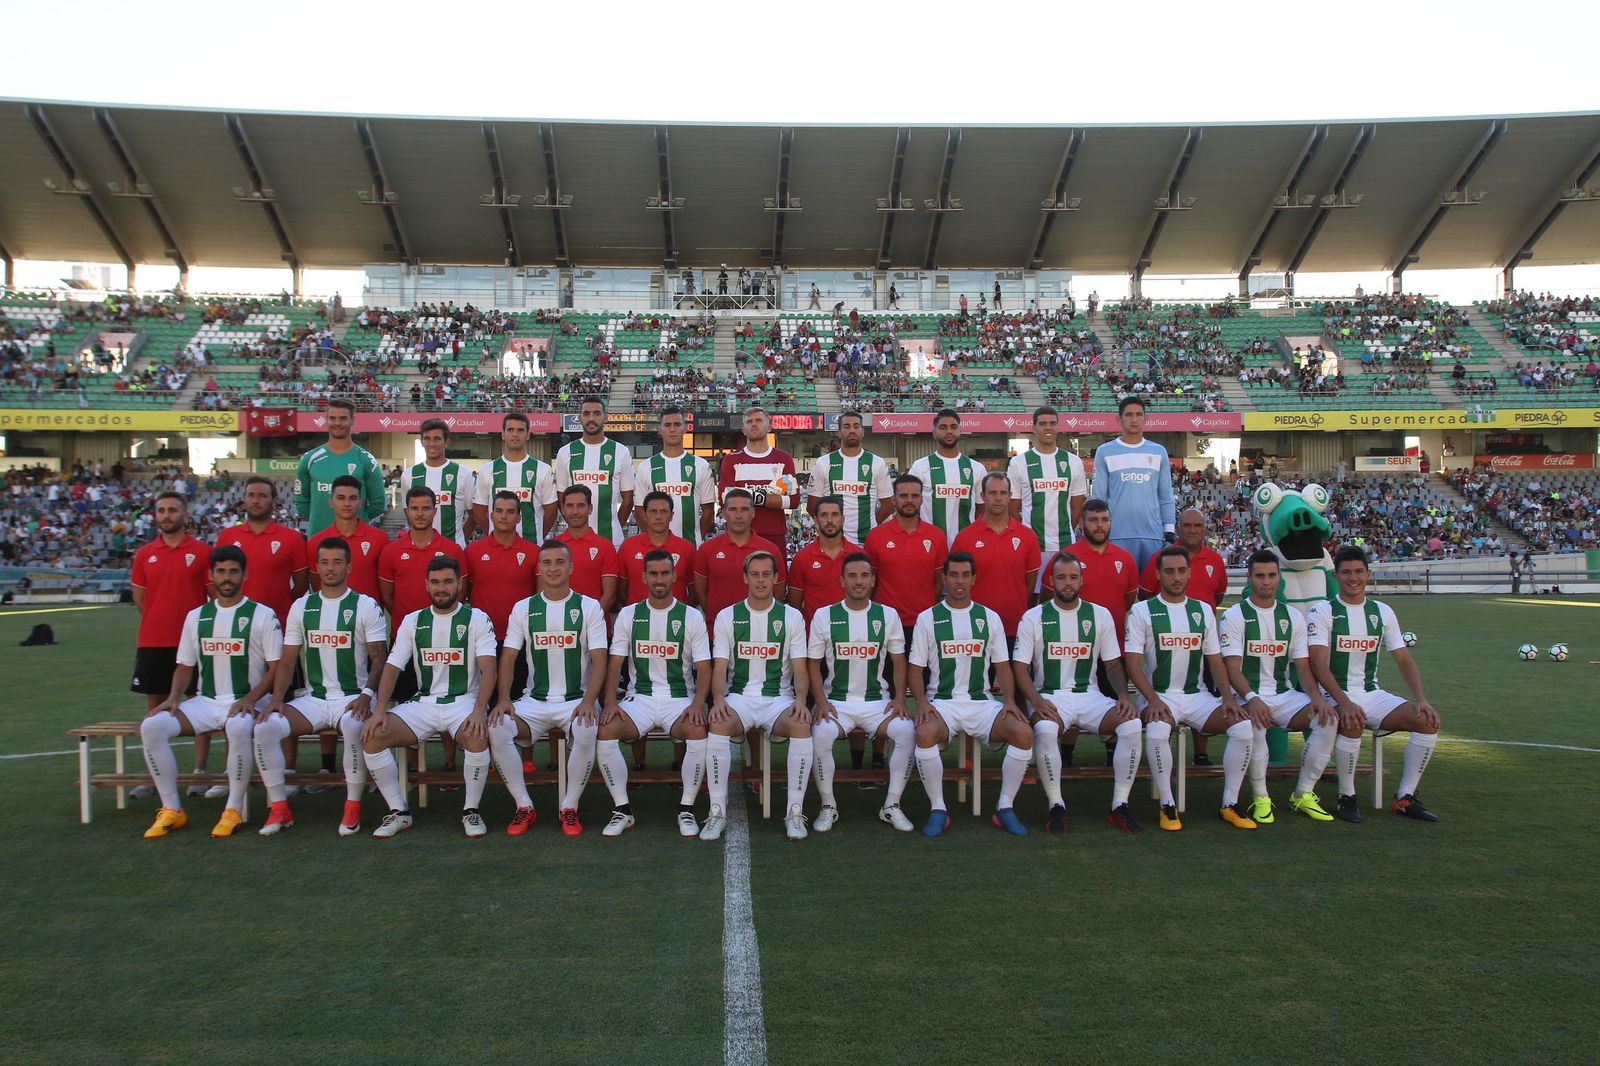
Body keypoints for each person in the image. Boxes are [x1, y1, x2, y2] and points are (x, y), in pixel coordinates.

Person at [138, 546, 283, 839]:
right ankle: (172, 809)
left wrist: (252, 698)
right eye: (220, 571)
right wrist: (173, 698)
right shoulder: (196, 616)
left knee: (240, 726)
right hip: (206, 701)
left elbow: (276, 668)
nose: (226, 578)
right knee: (152, 726)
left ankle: (233, 809)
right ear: (211, 575)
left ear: (245, 574)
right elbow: (184, 666)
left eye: (233, 571)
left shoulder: (263, 615)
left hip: (249, 700)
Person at [360, 555, 502, 838]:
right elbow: (391, 667)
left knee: (476, 736)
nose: (442, 588)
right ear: (426, 585)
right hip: (423, 704)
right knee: (373, 736)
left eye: (448, 581)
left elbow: (489, 670)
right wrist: (379, 709)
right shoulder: (413, 621)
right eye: (435, 582)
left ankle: (470, 810)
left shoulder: (476, 618)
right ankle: (399, 812)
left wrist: (478, 711)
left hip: (463, 702)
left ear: (459, 585)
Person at [256, 536, 389, 837]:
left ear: (349, 567)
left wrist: (368, 695)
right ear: (316, 567)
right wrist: (277, 699)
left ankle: (352, 806)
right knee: (265, 727)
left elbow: (379, 657)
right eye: (325, 563)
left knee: (355, 727)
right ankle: (279, 807)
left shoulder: (365, 605)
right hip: (313, 699)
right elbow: (288, 660)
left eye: (337, 562)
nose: (330, 569)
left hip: (353, 696)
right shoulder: (302, 607)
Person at [1012, 553, 1145, 835]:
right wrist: (1037, 701)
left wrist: (1123, 695)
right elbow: (1020, 668)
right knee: (1046, 729)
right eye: (1061, 577)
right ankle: (1056, 805)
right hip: (1051, 698)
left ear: (1082, 580)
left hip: (1091, 697)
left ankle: (1120, 804)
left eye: (1073, 577)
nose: (1068, 583)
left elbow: (1111, 664)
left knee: (1132, 724)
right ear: (1051, 581)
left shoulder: (1100, 615)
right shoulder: (1033, 617)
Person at [1308, 547, 1442, 823]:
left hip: (1372, 693)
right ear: (1336, 576)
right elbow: (1318, 663)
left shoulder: (1381, 611)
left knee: (1427, 721)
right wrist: (1344, 702)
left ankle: (1404, 797)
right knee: (1352, 720)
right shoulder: (1323, 611)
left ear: (1368, 574)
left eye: (1359, 571)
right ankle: (1347, 796)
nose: (1353, 578)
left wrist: (1421, 698)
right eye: (1346, 572)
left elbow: (1404, 659)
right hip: (1333, 693)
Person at [907, 552, 1036, 837]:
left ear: (974, 579)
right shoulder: (928, 618)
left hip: (982, 704)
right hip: (943, 704)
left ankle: (1005, 807)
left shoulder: (989, 618)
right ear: (945, 578)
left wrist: (1011, 702)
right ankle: (938, 808)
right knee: (924, 733)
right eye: (954, 575)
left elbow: (1003, 667)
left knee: (1024, 733)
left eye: (966, 575)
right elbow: (915, 670)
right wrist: (921, 703)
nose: (960, 581)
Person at [1124, 546, 1252, 832]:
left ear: (1189, 573)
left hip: (1197, 697)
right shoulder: (1142, 611)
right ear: (1158, 574)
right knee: (1157, 732)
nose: (1176, 577)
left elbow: (1215, 659)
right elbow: (1133, 664)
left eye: (1181, 571)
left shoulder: (1203, 610)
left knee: (1242, 727)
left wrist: (1229, 698)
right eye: (1169, 571)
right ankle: (1167, 805)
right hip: (1158, 696)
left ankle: (1229, 803)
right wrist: (1153, 700)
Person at [488, 541, 609, 837]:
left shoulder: (589, 606)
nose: (553, 568)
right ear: (539, 569)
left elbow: (599, 661)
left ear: (571, 568)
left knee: (586, 727)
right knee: (498, 727)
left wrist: (589, 701)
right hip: (535, 701)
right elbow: (508, 657)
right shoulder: (524, 608)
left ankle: (569, 807)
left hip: (576, 700)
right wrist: (504, 698)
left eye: (559, 562)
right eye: (547, 563)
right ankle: (524, 805)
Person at [595, 549, 714, 838]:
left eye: (664, 573)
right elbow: (615, 663)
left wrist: (699, 704)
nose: (659, 579)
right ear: (644, 577)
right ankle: (622, 810)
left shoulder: (691, 616)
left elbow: (705, 668)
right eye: (653, 574)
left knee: (698, 730)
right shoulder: (628, 614)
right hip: (640, 699)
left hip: (679, 699)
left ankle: (686, 808)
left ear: (674, 576)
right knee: (606, 730)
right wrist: (610, 702)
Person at [1220, 550, 1340, 824]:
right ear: (1249, 578)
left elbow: (1303, 667)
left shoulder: (1293, 617)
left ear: (1279, 578)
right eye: (1260, 576)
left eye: (1272, 575)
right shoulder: (1234, 616)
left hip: (1284, 696)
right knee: (1256, 724)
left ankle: (1303, 793)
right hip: (1246, 697)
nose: (1266, 582)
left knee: (1328, 720)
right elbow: (1231, 668)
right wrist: (1251, 697)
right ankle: (1261, 797)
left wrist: (1316, 697)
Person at [706, 552, 813, 841]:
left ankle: (794, 811)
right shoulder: (728, 616)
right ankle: (717, 811)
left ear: (777, 577)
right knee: (717, 725)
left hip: (778, 699)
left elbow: (800, 667)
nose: (761, 580)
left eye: (767, 574)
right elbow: (719, 667)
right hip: (738, 697)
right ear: (745, 578)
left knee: (803, 726)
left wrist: (801, 701)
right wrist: (718, 700)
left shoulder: (792, 616)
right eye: (755, 574)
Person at [807, 552, 917, 832]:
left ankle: (891, 805)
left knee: (906, 731)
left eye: (864, 576)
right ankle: (828, 805)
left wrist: (900, 698)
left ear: (873, 580)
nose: (858, 581)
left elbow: (898, 661)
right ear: (842, 580)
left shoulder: (887, 615)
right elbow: (813, 664)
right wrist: (820, 701)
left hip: (876, 703)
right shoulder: (824, 615)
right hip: (837, 704)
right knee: (820, 735)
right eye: (852, 576)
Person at [129, 491, 213, 796]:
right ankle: (155, 774)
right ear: (155, 515)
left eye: (173, 510)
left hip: (193, 641)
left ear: (185, 515)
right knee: (154, 704)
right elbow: (141, 599)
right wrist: (159, 620)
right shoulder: (144, 554)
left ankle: (199, 773)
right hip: (153, 640)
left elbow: (212, 598)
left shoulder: (202, 552)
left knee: (198, 702)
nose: (167, 515)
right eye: (162, 510)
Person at [1139, 506, 1229, 764]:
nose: (1192, 530)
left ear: (1204, 530)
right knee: (1167, 690)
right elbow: (1146, 596)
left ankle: (1200, 753)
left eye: (1197, 526)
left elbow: (1218, 595)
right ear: (1177, 529)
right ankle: (1161, 752)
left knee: (1204, 693)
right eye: (1187, 526)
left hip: (1203, 639)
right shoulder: (1162, 558)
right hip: (1167, 638)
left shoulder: (1213, 561)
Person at [1056, 498, 1141, 767]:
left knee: (1114, 702)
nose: (1099, 525)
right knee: (1072, 698)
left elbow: (1127, 601)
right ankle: (1066, 755)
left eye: (1104, 519)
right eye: (1093, 520)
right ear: (1081, 524)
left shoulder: (1124, 559)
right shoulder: (1068, 558)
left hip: (1112, 650)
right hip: (1073, 648)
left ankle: (1112, 756)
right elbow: (1052, 598)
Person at [951, 473, 1041, 644]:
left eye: (1003, 493)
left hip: (1015, 627)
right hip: (975, 628)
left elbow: (1029, 586)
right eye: (992, 493)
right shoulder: (965, 537)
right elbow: (957, 583)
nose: (998, 498)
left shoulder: (1027, 537)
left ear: (1010, 495)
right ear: (982, 496)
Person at [1091, 396, 1175, 571]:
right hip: (1116, 535)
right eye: (1129, 415)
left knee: (1151, 593)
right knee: (1117, 593)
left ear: (1146, 418)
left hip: (1152, 535)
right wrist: (1098, 529)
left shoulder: (1159, 451)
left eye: (1139, 414)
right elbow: (1098, 498)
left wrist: (1169, 530)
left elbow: (1166, 496)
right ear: (1119, 419)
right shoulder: (1104, 451)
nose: (1134, 419)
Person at [1007, 406, 1087, 581]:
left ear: (1058, 427)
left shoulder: (1073, 462)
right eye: (1042, 424)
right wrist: (1028, 534)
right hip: (1033, 545)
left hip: (1065, 543)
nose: (1048, 427)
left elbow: (1077, 507)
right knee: (1032, 594)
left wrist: (1066, 530)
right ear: (1034, 427)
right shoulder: (1019, 462)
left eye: (1052, 423)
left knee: (1065, 593)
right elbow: (1012, 508)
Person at [213, 475, 307, 626]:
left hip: (276, 622)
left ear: (274, 501)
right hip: (232, 623)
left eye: (262, 496)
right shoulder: (227, 536)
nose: (256, 500)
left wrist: (280, 604)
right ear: (244, 499)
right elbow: (216, 579)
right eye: (251, 495)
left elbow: (301, 585)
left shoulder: (292, 538)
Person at [378, 487, 469, 634]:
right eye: (414, 508)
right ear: (407, 512)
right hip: (403, 633)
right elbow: (388, 598)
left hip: (443, 633)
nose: (420, 514)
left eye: (426, 508)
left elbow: (460, 594)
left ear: (434, 511)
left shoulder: (453, 550)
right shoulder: (390, 551)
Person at [865, 475, 948, 633]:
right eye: (903, 496)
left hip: (924, 624)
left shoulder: (937, 536)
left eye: (915, 496)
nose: (909, 500)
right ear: (894, 499)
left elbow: (939, 582)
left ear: (922, 499)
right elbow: (871, 582)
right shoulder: (875, 536)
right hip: (886, 623)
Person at [695, 488, 787, 627]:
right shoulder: (707, 549)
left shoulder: (771, 550)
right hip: (717, 632)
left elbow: (778, 594)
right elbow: (700, 593)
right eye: (733, 509)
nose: (738, 515)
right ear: (724, 513)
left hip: (759, 633)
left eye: (744, 509)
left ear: (753, 513)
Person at [294, 398, 385, 536]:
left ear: (352, 420)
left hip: (355, 541)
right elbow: (301, 503)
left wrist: (352, 521)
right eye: (332, 418)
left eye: (343, 418)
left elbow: (378, 504)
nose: (337, 423)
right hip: (319, 541)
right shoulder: (309, 459)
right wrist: (322, 522)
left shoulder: (366, 460)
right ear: (326, 420)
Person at [553, 395, 636, 547]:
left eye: (597, 414)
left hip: (611, 540)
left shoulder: (621, 451)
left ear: (605, 418)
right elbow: (561, 499)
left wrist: (614, 525)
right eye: (586, 414)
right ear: (579, 418)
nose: (591, 418)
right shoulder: (565, 452)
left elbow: (628, 499)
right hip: (574, 540)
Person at [806, 411, 893, 545]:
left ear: (862, 431)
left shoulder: (877, 463)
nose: (852, 430)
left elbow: (889, 505)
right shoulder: (824, 463)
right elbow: (811, 506)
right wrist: (828, 528)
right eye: (846, 426)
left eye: (856, 426)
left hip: (866, 542)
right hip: (834, 543)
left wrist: (871, 524)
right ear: (839, 432)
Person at [464, 491, 540, 644]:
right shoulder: (472, 551)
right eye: (499, 511)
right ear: (491, 516)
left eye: (510, 512)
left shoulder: (534, 552)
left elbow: (538, 594)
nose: (504, 516)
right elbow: (467, 591)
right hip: (482, 636)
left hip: (521, 636)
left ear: (519, 518)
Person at [633, 406, 715, 546]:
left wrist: (695, 539)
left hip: (690, 547)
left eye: (677, 424)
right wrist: (654, 539)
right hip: (656, 549)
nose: (672, 429)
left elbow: (708, 511)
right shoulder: (645, 467)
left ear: (685, 428)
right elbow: (640, 510)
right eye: (667, 425)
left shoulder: (701, 465)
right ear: (660, 430)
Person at [717, 406, 798, 548]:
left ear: (769, 427)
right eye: (749, 421)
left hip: (774, 534)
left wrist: (745, 494)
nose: (754, 424)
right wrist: (772, 495)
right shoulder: (731, 460)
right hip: (739, 535)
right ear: (743, 430)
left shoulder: (783, 458)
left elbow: (793, 500)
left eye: (759, 420)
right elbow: (725, 498)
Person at [472, 411, 557, 544]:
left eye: (520, 430)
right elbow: (478, 512)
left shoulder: (543, 469)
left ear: (528, 435)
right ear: (503, 434)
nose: (515, 434)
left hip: (532, 546)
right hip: (497, 547)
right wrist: (496, 533)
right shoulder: (487, 469)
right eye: (510, 430)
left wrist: (537, 536)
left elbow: (551, 512)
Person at [906, 409, 984, 542]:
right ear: (934, 434)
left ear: (959, 431)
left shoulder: (976, 468)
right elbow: (910, 507)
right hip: (929, 544)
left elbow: (981, 509)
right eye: (943, 427)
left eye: (953, 427)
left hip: (965, 545)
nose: (949, 431)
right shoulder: (920, 466)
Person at [306, 476, 388, 599]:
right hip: (330, 615)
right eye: (340, 498)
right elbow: (316, 582)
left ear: (360, 502)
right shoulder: (315, 542)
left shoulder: (379, 538)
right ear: (331, 502)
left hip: (367, 616)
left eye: (353, 498)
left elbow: (385, 587)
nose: (346, 504)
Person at [786, 496, 857, 625]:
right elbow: (794, 605)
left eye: (835, 515)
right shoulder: (802, 558)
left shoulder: (858, 555)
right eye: (824, 515)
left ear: (843, 519)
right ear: (815, 520)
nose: (830, 520)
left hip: (852, 635)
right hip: (815, 637)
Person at [405, 418, 477, 544]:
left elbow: (474, 515)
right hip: (420, 549)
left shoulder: (464, 473)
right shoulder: (408, 475)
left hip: (453, 550)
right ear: (422, 442)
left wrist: (459, 540)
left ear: (446, 442)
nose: (432, 443)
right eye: (427, 438)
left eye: (437, 439)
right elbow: (409, 513)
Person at [619, 490, 695, 605]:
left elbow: (695, 592)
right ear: (644, 515)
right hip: (638, 620)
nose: (658, 517)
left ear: (671, 515)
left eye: (663, 511)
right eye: (653, 511)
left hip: (676, 620)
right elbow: (620, 590)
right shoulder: (628, 546)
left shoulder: (687, 549)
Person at [553, 485, 620, 613]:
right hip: (560, 627)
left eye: (581, 505)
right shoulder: (553, 547)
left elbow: (610, 596)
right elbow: (543, 591)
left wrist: (589, 622)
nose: (575, 512)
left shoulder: (605, 546)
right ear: (562, 509)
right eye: (569, 506)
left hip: (595, 627)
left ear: (590, 509)